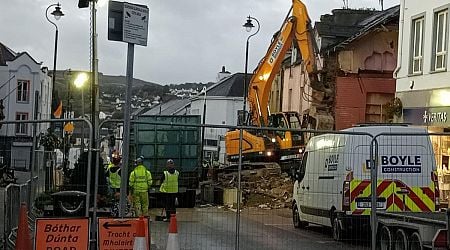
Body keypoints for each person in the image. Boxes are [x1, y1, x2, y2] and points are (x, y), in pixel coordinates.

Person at [106, 152, 122, 217]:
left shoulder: (109, 169)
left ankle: (112, 213)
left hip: (111, 188)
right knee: (118, 203)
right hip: (119, 189)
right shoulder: (120, 170)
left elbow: (106, 178)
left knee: (112, 202)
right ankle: (118, 214)